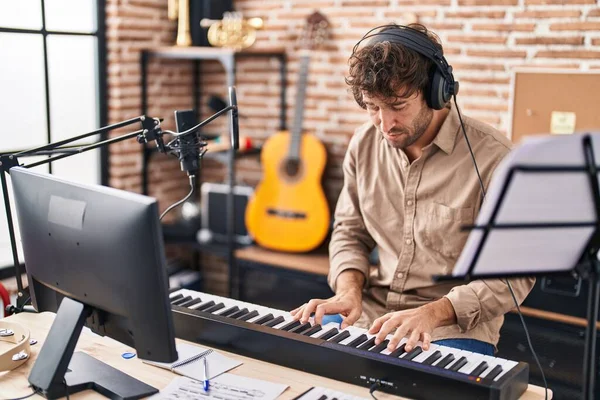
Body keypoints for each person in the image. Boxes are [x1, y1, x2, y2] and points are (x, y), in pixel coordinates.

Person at [290, 23, 535, 357]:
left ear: (435, 91)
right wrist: (348, 292)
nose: (385, 124)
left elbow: (513, 277)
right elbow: (350, 232)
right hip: (372, 315)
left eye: (398, 105)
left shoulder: (495, 159)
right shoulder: (363, 144)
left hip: (450, 328)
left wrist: (431, 313)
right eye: (373, 107)